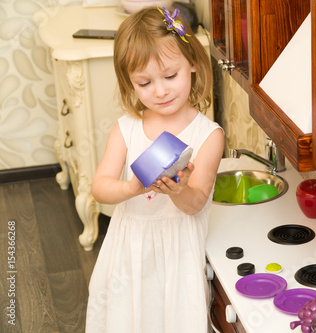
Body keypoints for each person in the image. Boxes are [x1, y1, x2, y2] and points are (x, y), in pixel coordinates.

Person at [86, 6, 224, 332]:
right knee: (125, 319)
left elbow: (196, 203)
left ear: (192, 64)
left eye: (170, 76)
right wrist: (131, 188)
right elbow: (100, 186)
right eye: (145, 82)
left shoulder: (208, 135)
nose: (160, 91)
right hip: (128, 251)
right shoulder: (126, 129)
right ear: (129, 83)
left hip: (178, 254)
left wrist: (179, 191)